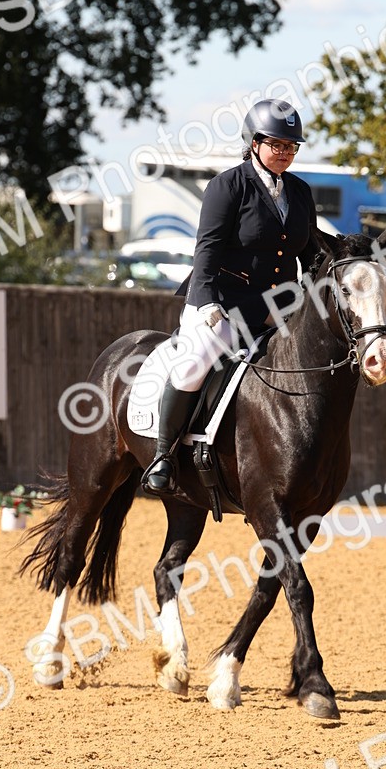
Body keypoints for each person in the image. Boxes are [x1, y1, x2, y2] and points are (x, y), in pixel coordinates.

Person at [142, 98, 323, 494]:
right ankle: (163, 454)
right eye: (278, 145)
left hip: (277, 308)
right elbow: (207, 248)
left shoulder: (300, 191)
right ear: (254, 143)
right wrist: (206, 301)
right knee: (193, 364)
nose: (285, 153)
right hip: (221, 303)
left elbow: (310, 254)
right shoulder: (228, 186)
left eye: (291, 147)